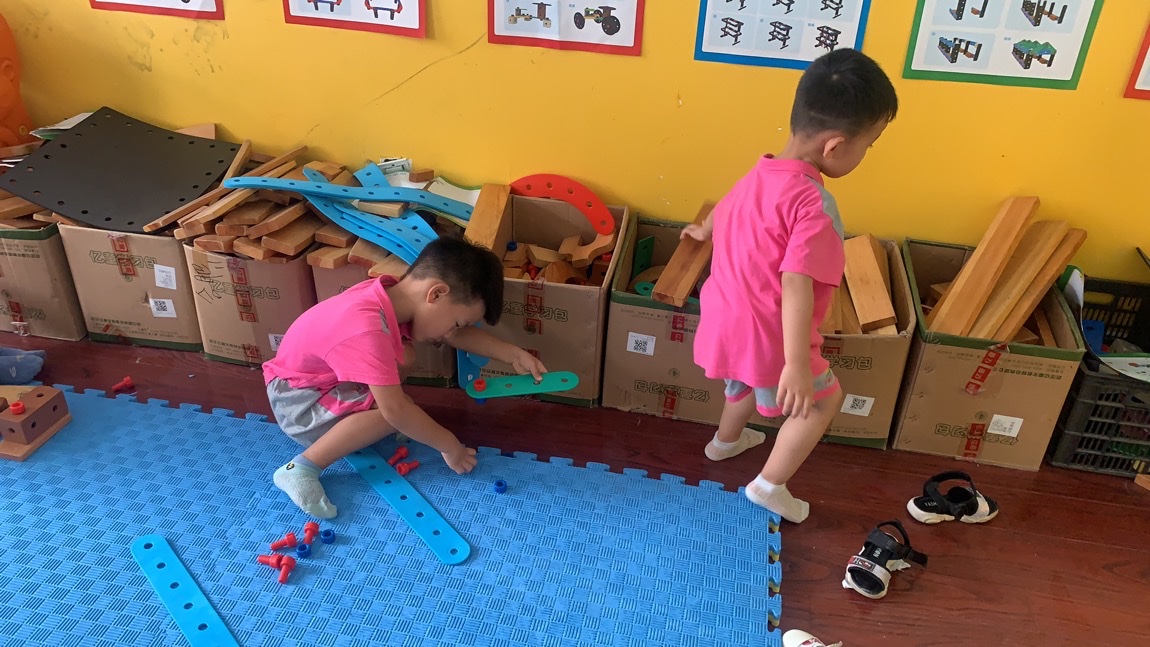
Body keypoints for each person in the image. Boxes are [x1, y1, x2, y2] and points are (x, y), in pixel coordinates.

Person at [682, 48, 898, 523]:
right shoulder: (812, 203)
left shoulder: (761, 170)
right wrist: (797, 364)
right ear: (835, 147)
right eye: (870, 144)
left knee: (741, 382)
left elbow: (725, 204)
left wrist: (704, 230)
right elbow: (796, 283)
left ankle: (724, 443)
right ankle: (768, 486)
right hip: (770, 333)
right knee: (822, 401)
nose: (866, 154)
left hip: (723, 315)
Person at [263, 236, 546, 519]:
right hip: (299, 404)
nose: (452, 331)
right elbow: (396, 411)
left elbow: (455, 335)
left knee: (404, 372)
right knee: (396, 413)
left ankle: (367, 417)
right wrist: (450, 446)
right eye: (458, 321)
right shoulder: (367, 328)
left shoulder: (390, 296)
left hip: (320, 384)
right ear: (436, 294)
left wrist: (512, 354)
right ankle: (301, 467)